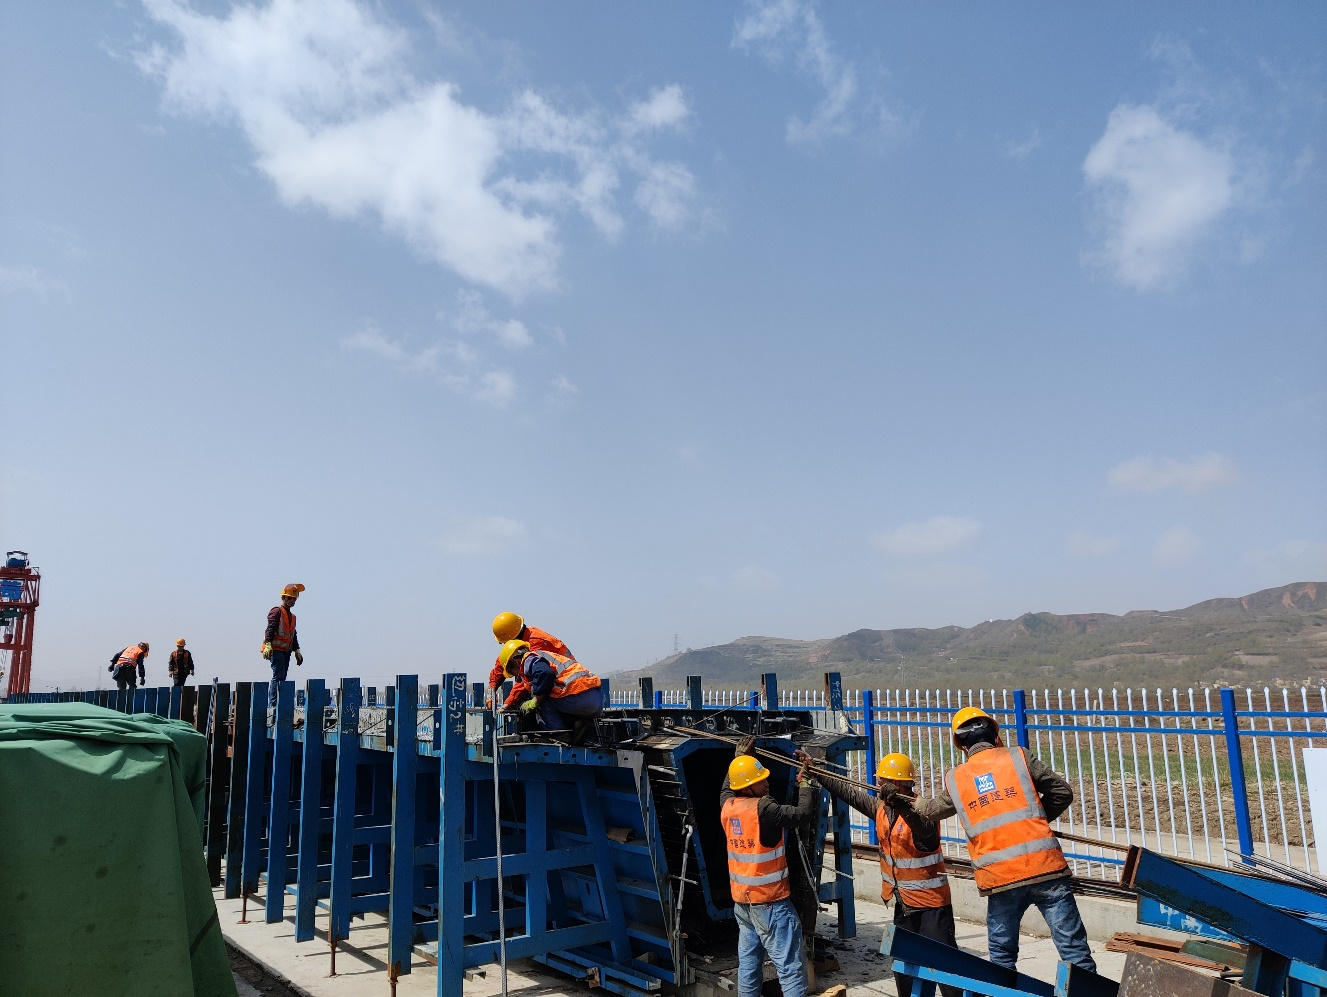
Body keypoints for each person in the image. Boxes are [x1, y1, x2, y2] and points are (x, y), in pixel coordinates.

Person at [915, 707, 1096, 973]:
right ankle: (1089, 990)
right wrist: (1035, 819)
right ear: (995, 735)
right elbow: (1062, 792)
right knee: (1074, 951)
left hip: (1001, 878)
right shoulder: (1019, 757)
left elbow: (931, 811)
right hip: (1045, 868)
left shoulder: (957, 778)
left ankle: (1004, 989)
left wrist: (915, 801)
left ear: (961, 745)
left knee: (1002, 957)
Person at [803, 750, 961, 997]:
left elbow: (923, 829)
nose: (877, 784)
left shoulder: (926, 813)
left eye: (883, 780)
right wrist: (818, 773)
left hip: (932, 907)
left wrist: (902, 805)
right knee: (904, 966)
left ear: (899, 784)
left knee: (946, 967)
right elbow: (850, 793)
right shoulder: (881, 809)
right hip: (904, 904)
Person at [720, 746, 818, 997]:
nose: (766, 783)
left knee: (749, 965)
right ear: (748, 787)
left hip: (743, 903)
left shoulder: (728, 806)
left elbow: (727, 788)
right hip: (771, 903)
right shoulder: (765, 809)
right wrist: (806, 781)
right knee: (790, 968)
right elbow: (804, 814)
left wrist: (740, 759)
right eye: (760, 780)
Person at [496, 638, 602, 736]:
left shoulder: (529, 659)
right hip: (596, 701)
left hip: (576, 697)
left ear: (515, 662)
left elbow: (544, 673)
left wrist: (535, 701)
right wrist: (507, 704)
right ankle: (578, 724)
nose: (517, 676)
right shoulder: (545, 656)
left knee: (541, 697)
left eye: (512, 673)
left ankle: (557, 734)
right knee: (551, 696)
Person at [486, 612, 572, 710]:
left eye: (504, 642)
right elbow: (503, 663)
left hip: (564, 683)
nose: (503, 645)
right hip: (553, 679)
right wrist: (492, 689)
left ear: (512, 638)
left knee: (541, 704)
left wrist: (508, 703)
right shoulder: (521, 642)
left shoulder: (536, 643)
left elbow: (525, 677)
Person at [262, 584, 305, 708]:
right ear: (284, 598)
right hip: (275, 649)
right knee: (278, 675)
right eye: (290, 598)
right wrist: (268, 644)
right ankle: (273, 705)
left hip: (286, 651)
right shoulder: (277, 611)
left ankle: (279, 704)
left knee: (283, 677)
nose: (292, 601)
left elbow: (293, 634)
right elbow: (270, 629)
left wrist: (297, 650)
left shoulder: (292, 617)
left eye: (294, 599)